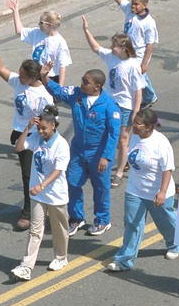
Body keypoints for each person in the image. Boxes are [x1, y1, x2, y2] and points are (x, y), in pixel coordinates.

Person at [0, 29, 54, 231]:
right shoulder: (19, 82)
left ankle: (30, 212)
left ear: (33, 77)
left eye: (23, 74)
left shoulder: (44, 96)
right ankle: (38, 207)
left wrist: (40, 134)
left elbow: (51, 122)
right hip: (20, 132)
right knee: (28, 174)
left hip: (36, 137)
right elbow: (1, 69)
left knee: (30, 174)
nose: (19, 76)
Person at [42, 67, 121, 236]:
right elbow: (57, 90)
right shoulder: (77, 94)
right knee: (72, 182)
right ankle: (76, 218)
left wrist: (106, 157)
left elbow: (114, 134)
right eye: (82, 79)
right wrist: (44, 77)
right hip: (78, 150)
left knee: (101, 187)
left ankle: (102, 220)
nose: (82, 83)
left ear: (97, 86)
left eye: (86, 82)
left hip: (98, 154)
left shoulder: (109, 106)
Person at [106, 108, 179, 271]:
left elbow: (167, 169)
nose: (134, 126)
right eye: (134, 122)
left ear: (148, 127)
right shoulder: (135, 138)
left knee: (165, 222)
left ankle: (175, 243)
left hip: (157, 192)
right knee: (132, 224)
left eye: (137, 124)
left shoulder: (161, 142)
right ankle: (124, 260)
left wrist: (162, 192)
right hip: (135, 190)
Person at [81, 16, 143, 189]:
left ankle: (119, 172)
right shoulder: (111, 57)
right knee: (109, 137)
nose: (111, 48)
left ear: (123, 48)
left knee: (123, 139)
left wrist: (136, 111)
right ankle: (125, 158)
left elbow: (138, 89)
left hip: (124, 106)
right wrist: (86, 29)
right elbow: (95, 47)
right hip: (108, 103)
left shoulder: (132, 65)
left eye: (114, 45)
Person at [10, 105, 71, 281]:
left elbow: (58, 170)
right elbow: (19, 148)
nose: (41, 131)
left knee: (60, 229)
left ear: (53, 126)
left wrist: (41, 185)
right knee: (35, 230)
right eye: (39, 128)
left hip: (55, 195)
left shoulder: (61, 145)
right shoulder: (36, 137)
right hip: (38, 194)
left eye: (44, 128)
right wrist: (28, 128)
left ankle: (61, 258)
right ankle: (26, 266)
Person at [109, 0, 158, 107]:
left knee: (138, 75)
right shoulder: (129, 12)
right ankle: (147, 95)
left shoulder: (149, 23)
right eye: (132, 4)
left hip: (139, 54)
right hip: (128, 51)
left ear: (144, 5)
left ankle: (147, 97)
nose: (133, 7)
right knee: (137, 75)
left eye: (136, 5)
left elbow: (150, 44)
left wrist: (144, 62)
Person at [6, 0, 72, 84]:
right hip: (36, 76)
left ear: (49, 25)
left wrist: (60, 88)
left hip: (51, 78)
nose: (38, 24)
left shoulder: (60, 42)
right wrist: (15, 11)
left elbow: (62, 66)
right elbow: (19, 31)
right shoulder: (36, 32)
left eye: (41, 23)